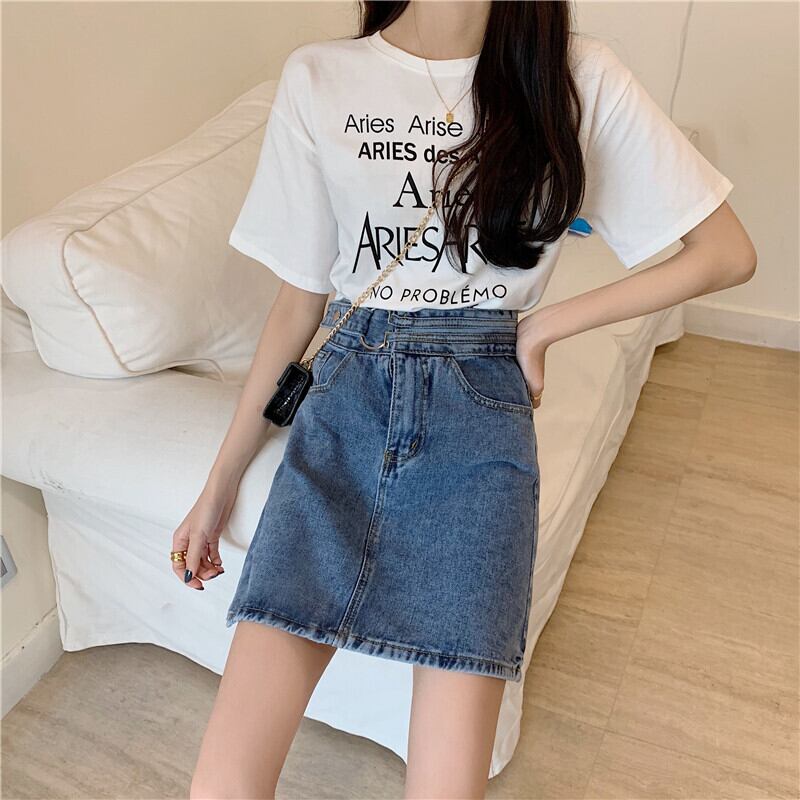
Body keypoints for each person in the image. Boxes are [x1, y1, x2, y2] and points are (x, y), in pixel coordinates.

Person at [182, 1, 756, 796]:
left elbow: (725, 252)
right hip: (347, 401)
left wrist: (545, 326)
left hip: (479, 419)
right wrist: (217, 489)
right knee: (223, 783)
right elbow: (299, 302)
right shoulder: (319, 77)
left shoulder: (574, 75)